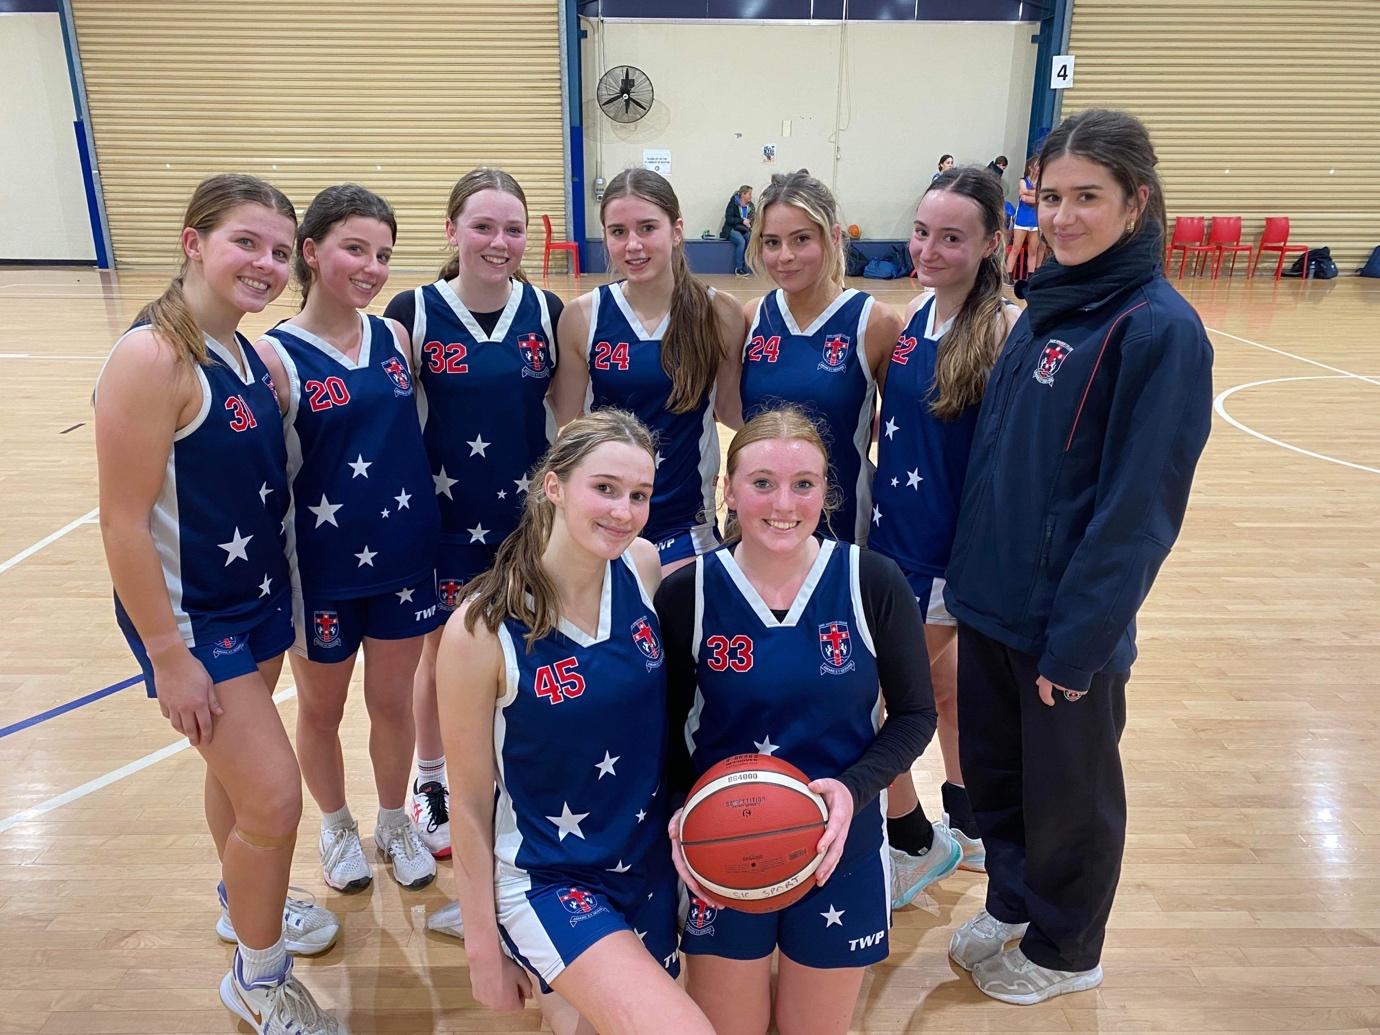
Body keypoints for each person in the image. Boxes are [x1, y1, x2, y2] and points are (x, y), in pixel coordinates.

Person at [944, 108, 1214, 1004]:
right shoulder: (1048, 306)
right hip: (991, 600)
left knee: (1070, 796)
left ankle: (1068, 947)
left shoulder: (1158, 330)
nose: (1061, 217)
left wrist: (1080, 643)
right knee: (999, 778)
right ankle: (1014, 901)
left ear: (1137, 202)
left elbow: (1139, 512)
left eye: (1086, 196)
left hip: (1064, 627)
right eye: (1049, 196)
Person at [95, 173, 346, 1033]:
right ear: (193, 241)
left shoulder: (247, 354)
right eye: (246, 241)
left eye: (278, 250)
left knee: (237, 782)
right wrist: (169, 656)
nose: (266, 263)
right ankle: (258, 975)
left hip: (255, 596)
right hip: (195, 620)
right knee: (274, 797)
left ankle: (243, 902)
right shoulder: (151, 358)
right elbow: (123, 522)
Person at [659, 406, 937, 1035]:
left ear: (826, 490)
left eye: (803, 484)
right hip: (721, 848)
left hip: (842, 844)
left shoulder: (871, 580)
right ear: (728, 490)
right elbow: (664, 730)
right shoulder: (688, 593)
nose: (783, 504)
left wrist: (854, 789)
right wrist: (680, 811)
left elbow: (915, 715)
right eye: (762, 483)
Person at [436, 410, 715, 1035]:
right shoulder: (480, 629)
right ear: (554, 487)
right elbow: (471, 802)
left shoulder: (641, 566)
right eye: (605, 488)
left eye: (639, 495)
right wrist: (482, 947)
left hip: (645, 863)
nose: (623, 511)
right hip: (549, 875)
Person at [256, 184, 441, 895]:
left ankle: (394, 820)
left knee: (392, 704)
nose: (372, 267)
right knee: (322, 710)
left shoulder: (395, 338)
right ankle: (336, 826)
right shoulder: (275, 356)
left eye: (383, 254)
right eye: (355, 249)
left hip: (404, 559)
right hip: (323, 570)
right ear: (310, 251)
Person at [381, 168, 564, 871]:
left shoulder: (546, 311)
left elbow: (567, 416)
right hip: (444, 516)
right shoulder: (414, 311)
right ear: (452, 230)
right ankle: (432, 783)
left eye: (513, 229)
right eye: (483, 226)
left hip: (528, 519)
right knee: (441, 654)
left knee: (527, 651)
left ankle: (514, 784)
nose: (498, 241)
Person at [870, 167, 1021, 900]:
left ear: (992, 243)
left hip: (940, 552)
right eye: (922, 232)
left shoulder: (1005, 329)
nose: (928, 250)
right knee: (946, 691)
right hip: (892, 535)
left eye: (951, 238)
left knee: (875, 703)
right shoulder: (913, 314)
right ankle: (971, 825)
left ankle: (913, 842)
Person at [552, 167, 745, 573]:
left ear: (676, 231)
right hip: (604, 521)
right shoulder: (582, 316)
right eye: (618, 232)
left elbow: (731, 410)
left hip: (686, 524)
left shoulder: (719, 312)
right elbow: (564, 416)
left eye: (647, 228)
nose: (633, 245)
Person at [736, 170, 903, 545]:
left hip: (840, 524)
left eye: (801, 239)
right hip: (759, 519)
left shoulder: (875, 321)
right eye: (772, 242)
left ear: (834, 237)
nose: (785, 256)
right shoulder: (751, 317)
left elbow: (901, 427)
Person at [1007, 156, 1040, 282]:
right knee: (1016, 248)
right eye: (1037, 165)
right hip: (1022, 219)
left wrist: (1035, 196)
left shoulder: (1042, 183)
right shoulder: (1023, 181)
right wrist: (1037, 196)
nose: (1039, 168)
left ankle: (1031, 277)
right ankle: (1008, 275)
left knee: (1033, 250)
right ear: (1031, 167)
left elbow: (1042, 197)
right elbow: (1024, 196)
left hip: (1035, 220)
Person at [721, 184, 755, 276]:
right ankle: (738, 268)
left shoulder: (751, 206)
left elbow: (752, 218)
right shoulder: (733, 203)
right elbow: (729, 219)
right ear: (743, 194)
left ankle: (746, 266)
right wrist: (742, 221)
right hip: (731, 228)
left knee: (750, 238)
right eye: (749, 194)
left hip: (744, 229)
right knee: (741, 241)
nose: (751, 196)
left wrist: (750, 223)